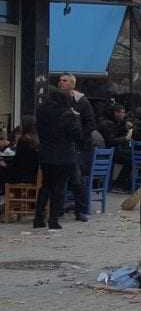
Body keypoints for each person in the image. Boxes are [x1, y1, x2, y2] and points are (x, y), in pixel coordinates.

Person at [35, 91, 84, 230]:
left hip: (46, 155)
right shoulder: (68, 114)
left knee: (45, 186)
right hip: (64, 156)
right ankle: (53, 219)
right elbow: (77, 135)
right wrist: (76, 118)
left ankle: (38, 218)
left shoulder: (42, 112)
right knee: (59, 188)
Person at [59, 74, 97, 219]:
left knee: (76, 178)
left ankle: (80, 210)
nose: (61, 83)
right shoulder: (57, 100)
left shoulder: (81, 102)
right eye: (60, 80)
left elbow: (91, 124)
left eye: (64, 81)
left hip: (78, 147)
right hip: (61, 145)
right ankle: (59, 208)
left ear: (72, 84)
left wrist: (79, 135)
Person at [0, 116, 39, 192]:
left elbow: (17, 162)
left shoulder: (23, 140)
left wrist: (5, 164)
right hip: (33, 175)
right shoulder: (36, 140)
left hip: (22, 176)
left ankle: (6, 192)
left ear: (24, 127)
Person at [100, 103, 132, 191]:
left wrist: (125, 124)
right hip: (107, 150)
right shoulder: (107, 123)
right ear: (116, 113)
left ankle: (119, 183)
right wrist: (126, 138)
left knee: (130, 158)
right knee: (131, 160)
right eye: (122, 112)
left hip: (111, 150)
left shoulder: (114, 122)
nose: (123, 114)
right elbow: (111, 141)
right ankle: (119, 184)